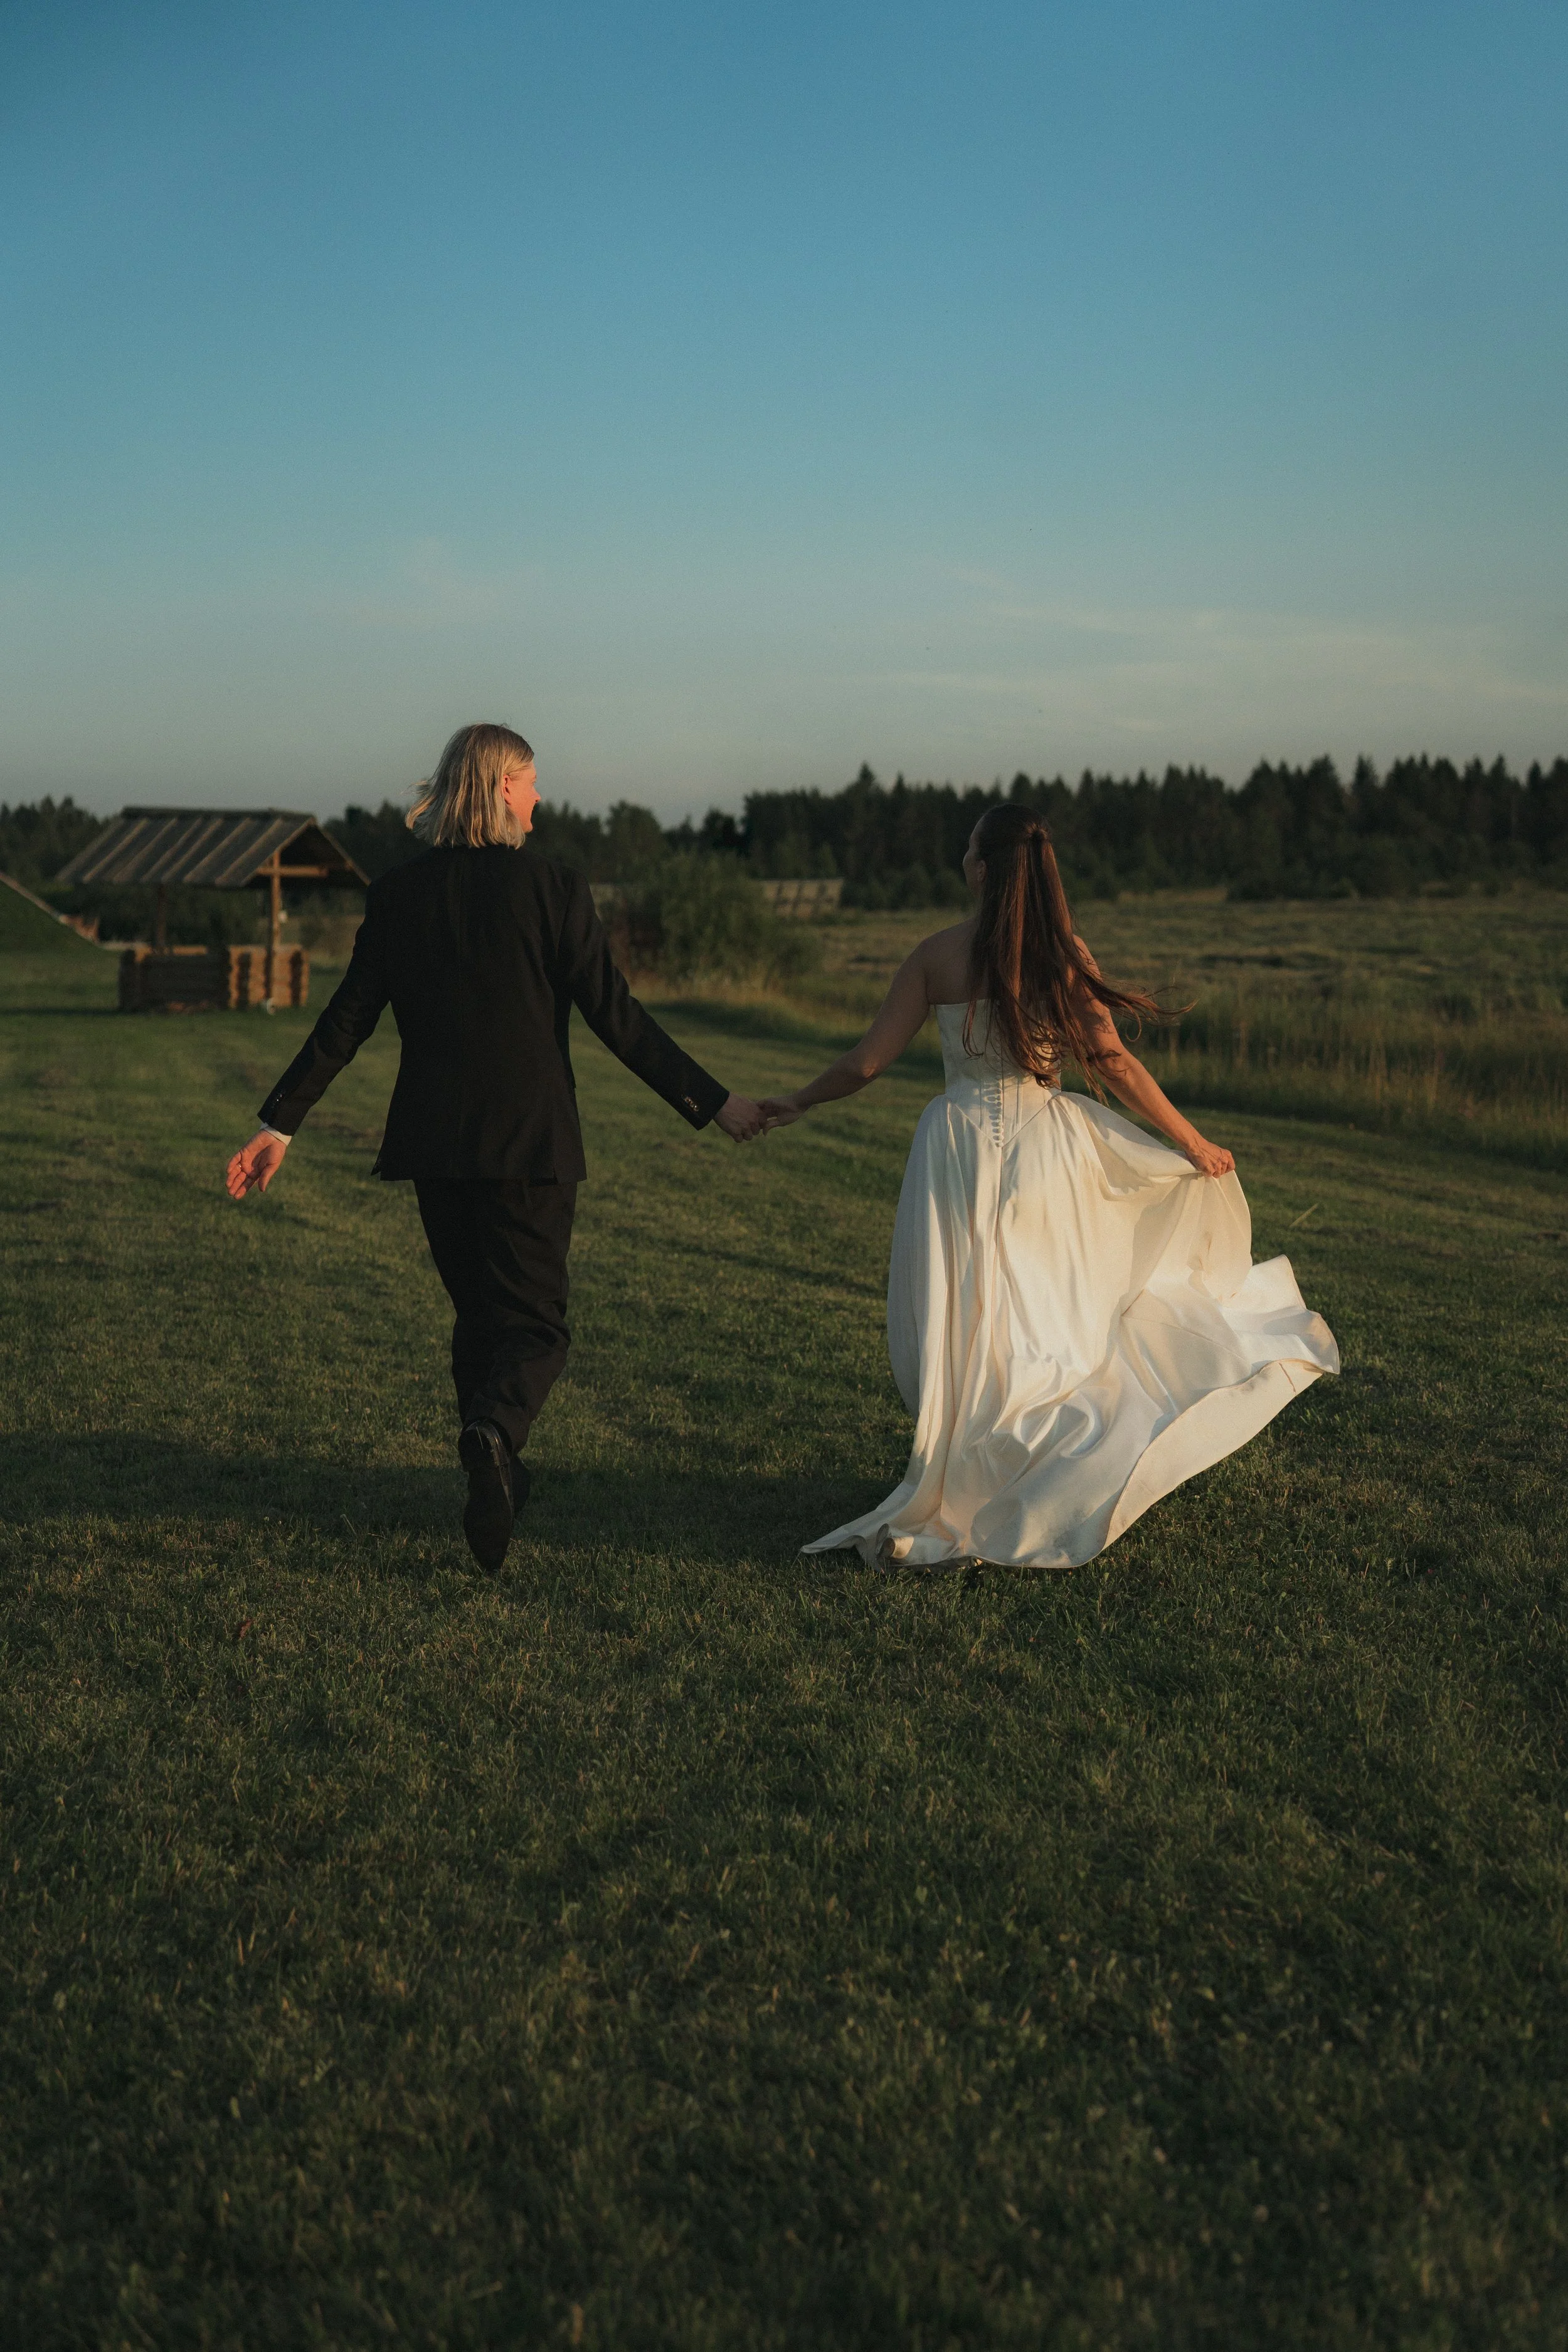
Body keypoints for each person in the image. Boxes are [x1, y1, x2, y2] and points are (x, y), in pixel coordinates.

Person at [226, 723, 765, 1573]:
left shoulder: (399, 893)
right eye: (533, 782)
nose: (541, 799)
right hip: (531, 1146)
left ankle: (497, 1475)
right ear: (501, 786)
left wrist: (278, 1123)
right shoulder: (553, 888)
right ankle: (493, 1435)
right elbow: (616, 1017)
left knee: (480, 1320)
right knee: (538, 1330)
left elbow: (347, 1020)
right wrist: (714, 1101)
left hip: (435, 1149)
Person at [762, 803, 1338, 1570]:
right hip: (1043, 1147)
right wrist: (1190, 1140)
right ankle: (1021, 1469)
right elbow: (1113, 1063)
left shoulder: (934, 954)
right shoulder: (1062, 953)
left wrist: (797, 1100)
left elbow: (866, 1063)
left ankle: (984, 1467)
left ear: (981, 867)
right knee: (1042, 1320)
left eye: (967, 847)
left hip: (958, 1146)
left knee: (970, 1325)